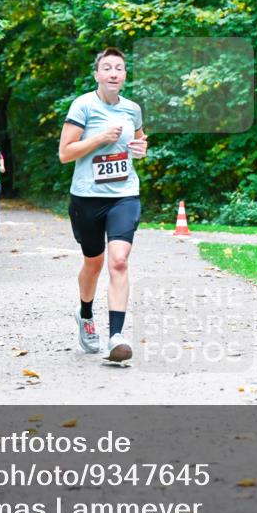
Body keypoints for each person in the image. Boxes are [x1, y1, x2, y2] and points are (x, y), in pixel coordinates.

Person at [58, 47, 148, 360]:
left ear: (124, 75)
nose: (113, 73)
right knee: (93, 263)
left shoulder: (132, 109)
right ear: (97, 74)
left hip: (123, 194)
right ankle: (85, 315)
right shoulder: (83, 105)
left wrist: (140, 148)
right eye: (107, 67)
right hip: (87, 197)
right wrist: (99, 139)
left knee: (119, 261)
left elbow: (140, 140)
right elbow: (65, 153)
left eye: (119, 68)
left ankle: (117, 338)